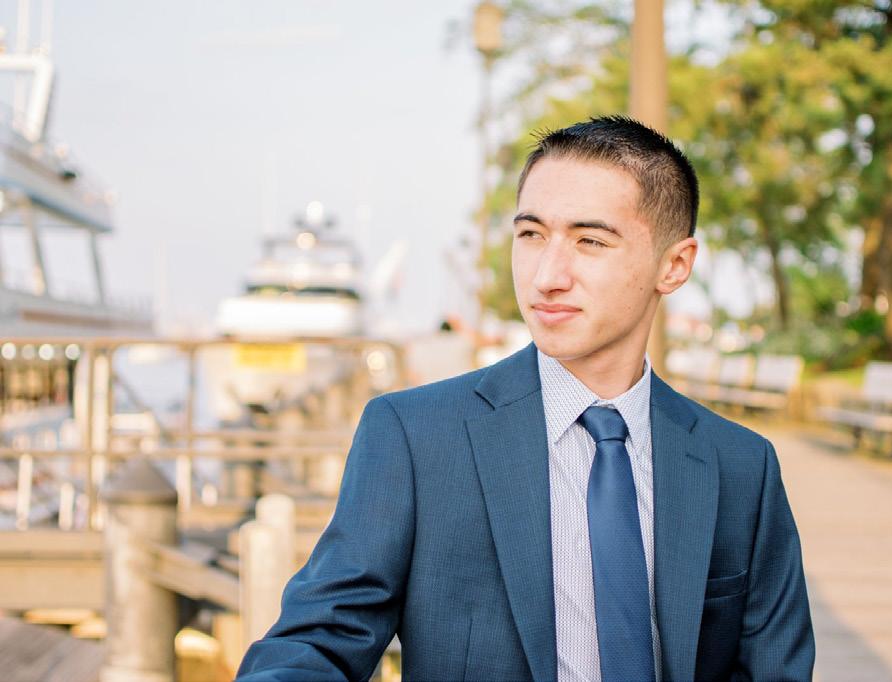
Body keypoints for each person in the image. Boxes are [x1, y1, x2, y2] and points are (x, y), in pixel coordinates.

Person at [236, 116, 814, 682]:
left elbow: (772, 667)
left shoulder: (742, 466)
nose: (546, 277)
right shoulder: (415, 437)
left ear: (675, 265)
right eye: (531, 235)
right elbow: (323, 635)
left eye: (590, 241)